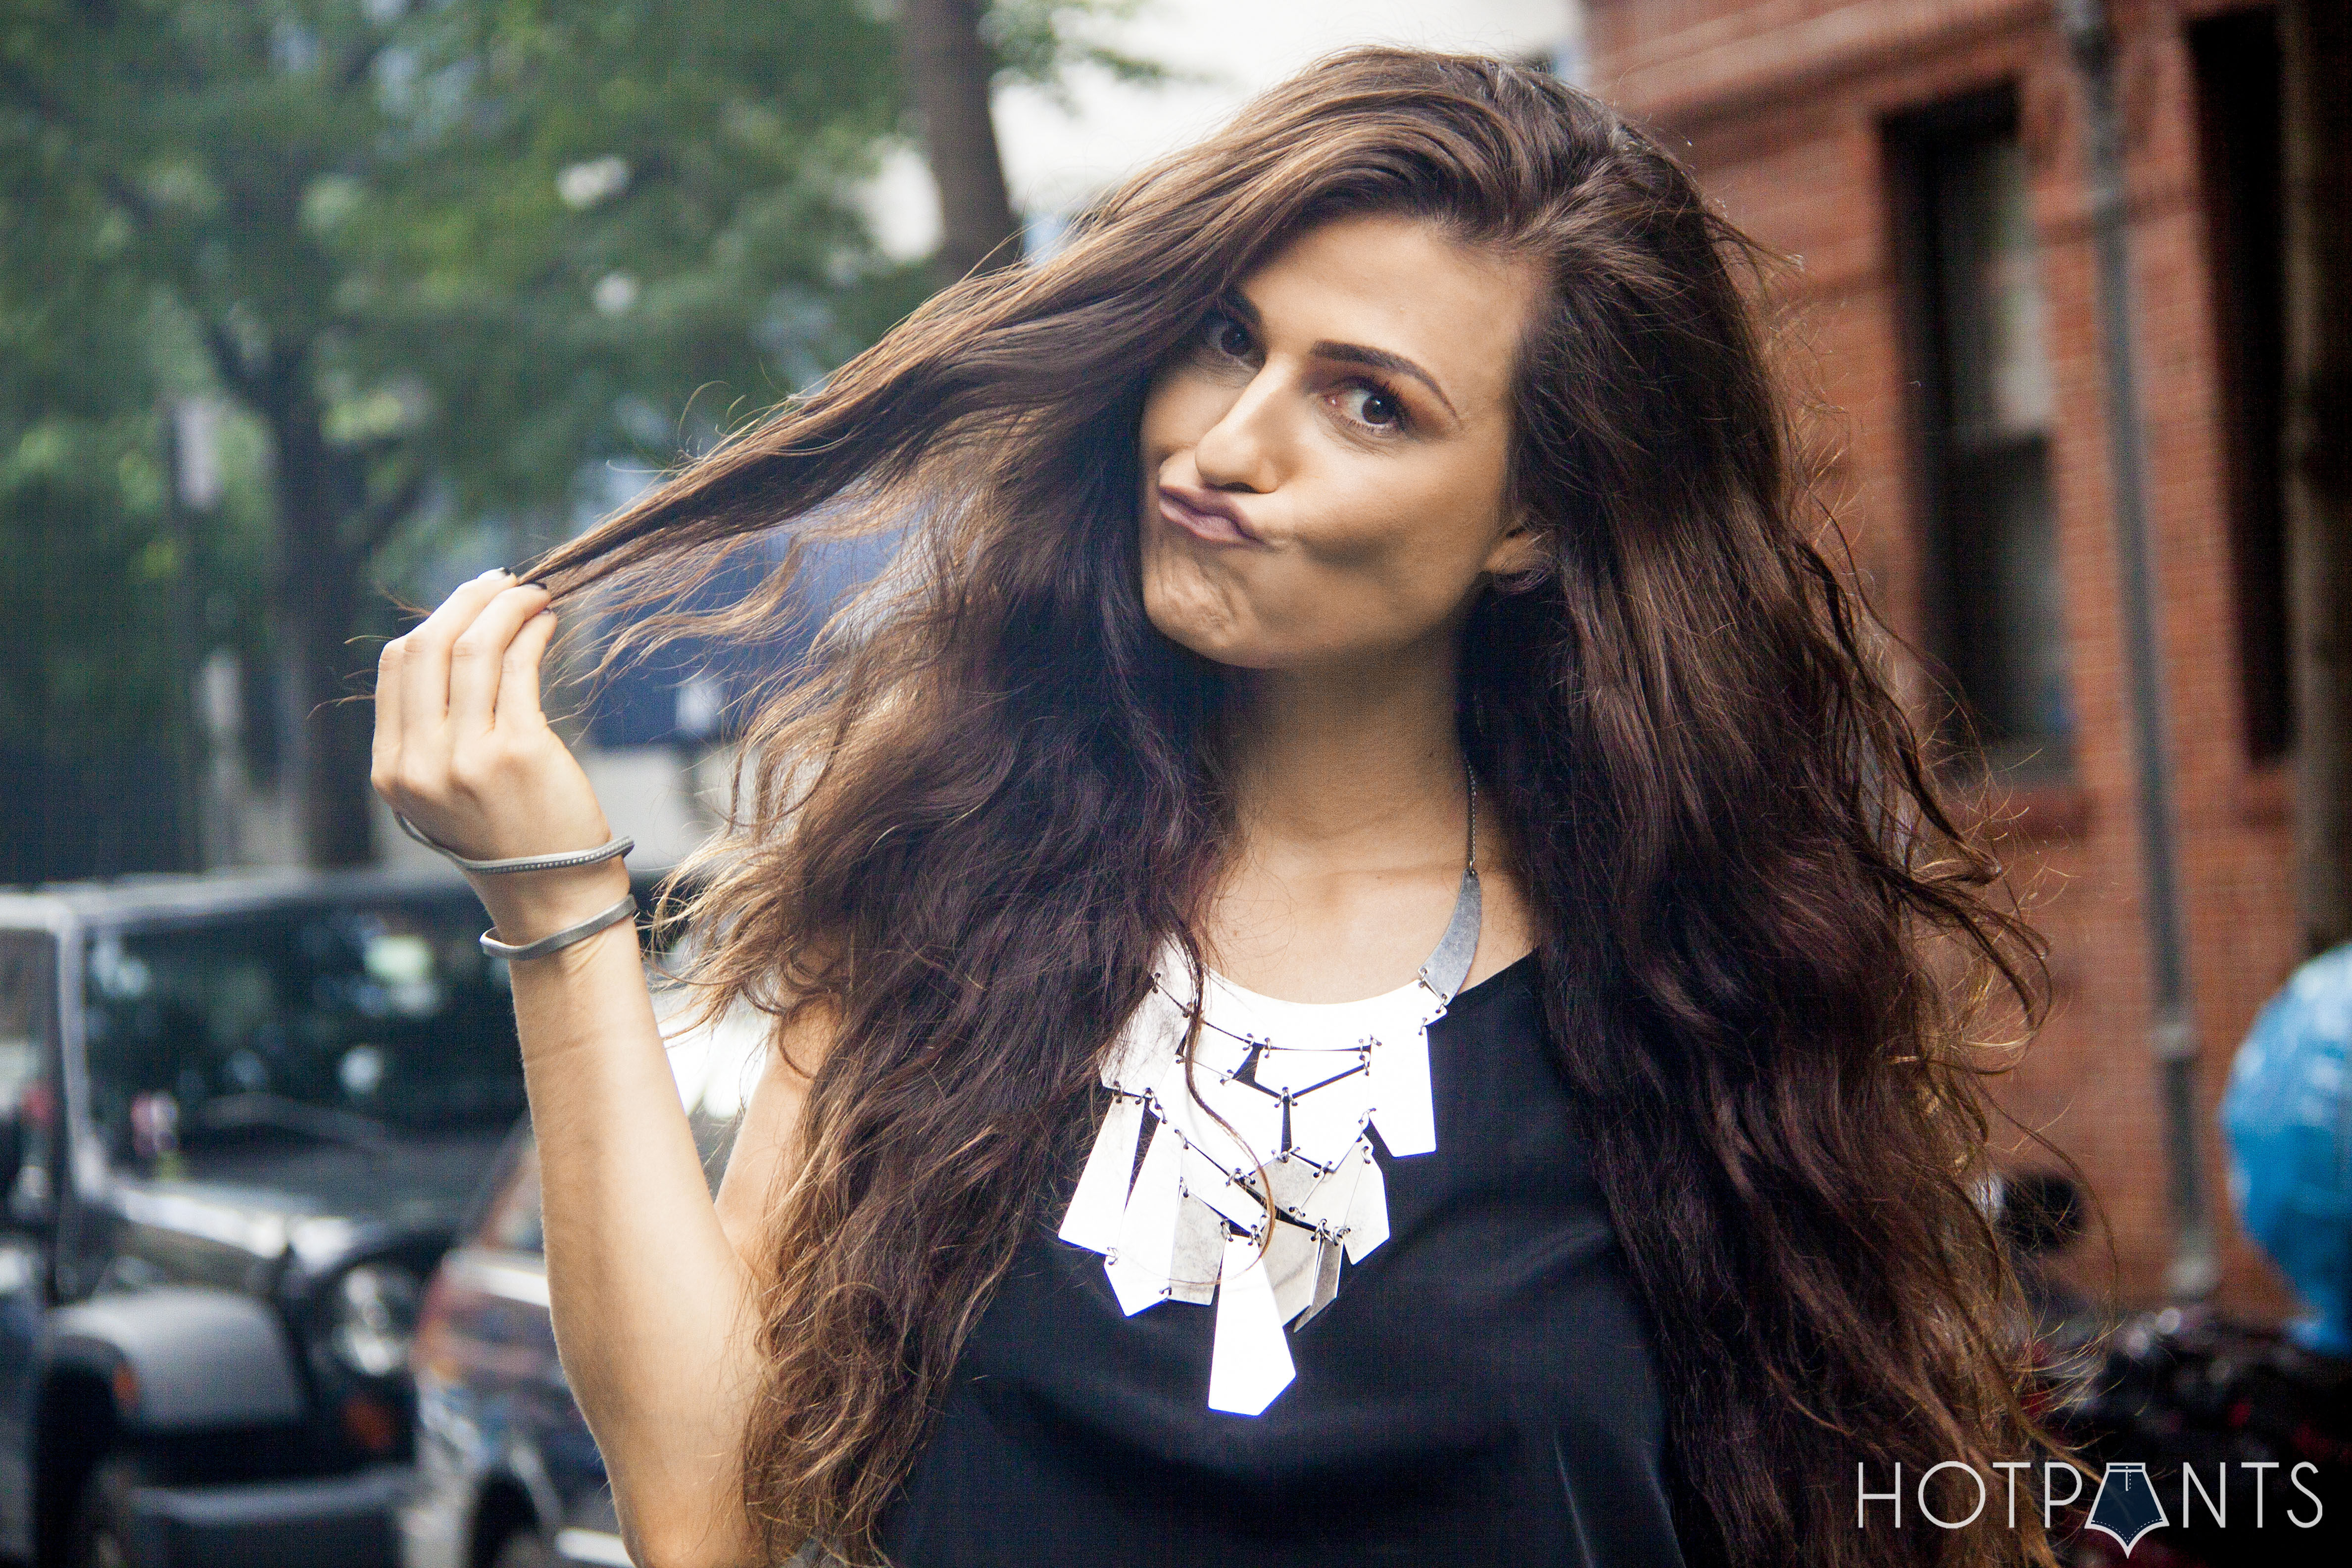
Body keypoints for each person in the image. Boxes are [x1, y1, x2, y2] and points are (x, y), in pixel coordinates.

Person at [373, 49, 2059, 1568]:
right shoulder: (946, 890)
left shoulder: (1703, 986)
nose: (1229, 443)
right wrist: (553, 905)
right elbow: (705, 1515)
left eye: (1368, 400)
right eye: (1228, 338)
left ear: (1532, 522)